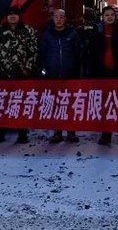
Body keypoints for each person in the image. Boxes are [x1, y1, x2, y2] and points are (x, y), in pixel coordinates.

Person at [0, 6, 38, 145]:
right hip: (2, 73)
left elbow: (33, 51)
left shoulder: (27, 31)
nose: (12, 16)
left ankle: (22, 134)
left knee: (20, 104)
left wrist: (27, 68)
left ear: (19, 16)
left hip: (20, 73)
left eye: (15, 14)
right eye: (9, 14)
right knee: (0, 104)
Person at [89, 5, 118, 146]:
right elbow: (92, 53)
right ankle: (106, 135)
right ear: (102, 17)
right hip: (104, 73)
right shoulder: (98, 32)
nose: (109, 17)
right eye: (106, 15)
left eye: (112, 15)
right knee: (106, 105)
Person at [39, 8, 81, 144]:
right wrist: (45, 69)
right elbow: (42, 53)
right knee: (55, 104)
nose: (59, 19)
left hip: (69, 74)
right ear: (53, 18)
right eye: (56, 17)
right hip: (52, 74)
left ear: (65, 19)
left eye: (61, 17)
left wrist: (76, 70)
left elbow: (78, 53)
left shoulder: (72, 34)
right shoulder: (47, 35)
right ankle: (57, 132)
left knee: (70, 104)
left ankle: (71, 132)